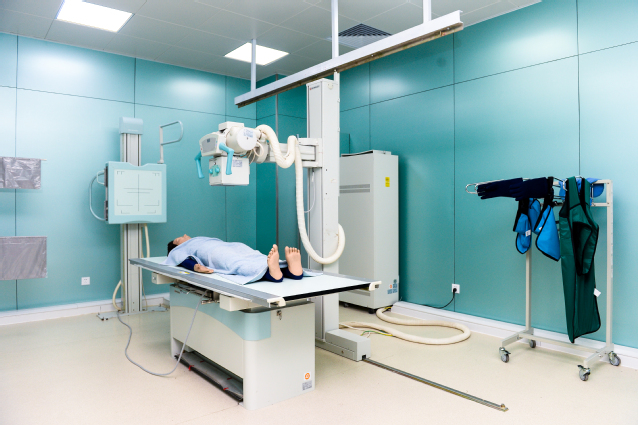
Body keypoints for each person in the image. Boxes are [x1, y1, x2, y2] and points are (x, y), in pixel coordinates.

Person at [165, 234, 304, 283]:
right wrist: (195, 267)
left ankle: (287, 270)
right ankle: (272, 273)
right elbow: (182, 260)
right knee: (236, 262)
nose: (184, 235)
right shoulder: (178, 251)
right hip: (214, 252)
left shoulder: (198, 239)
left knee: (253, 255)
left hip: (230, 246)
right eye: (179, 238)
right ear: (176, 246)